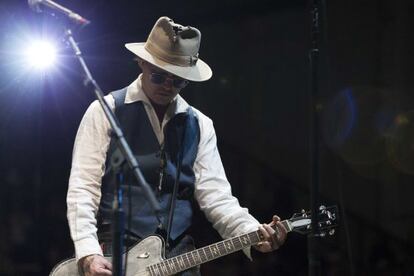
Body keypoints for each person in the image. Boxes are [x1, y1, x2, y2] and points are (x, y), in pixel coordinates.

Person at [67, 16, 287, 276]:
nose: (168, 87)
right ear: (142, 63)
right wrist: (88, 252)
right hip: (115, 258)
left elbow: (216, 197)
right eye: (159, 77)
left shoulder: (200, 124)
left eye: (179, 80)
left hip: (178, 261)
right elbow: (83, 188)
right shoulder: (105, 110)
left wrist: (251, 232)